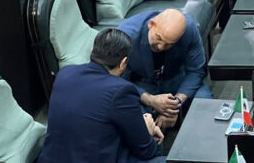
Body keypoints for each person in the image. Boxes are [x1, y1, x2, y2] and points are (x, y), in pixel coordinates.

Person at [39, 29, 166, 163]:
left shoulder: (64, 74)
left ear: (93, 49)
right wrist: (148, 132)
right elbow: (146, 151)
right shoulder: (121, 90)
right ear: (124, 62)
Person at [118, 9, 213, 130]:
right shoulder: (125, 36)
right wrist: (150, 100)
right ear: (151, 24)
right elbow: (120, 82)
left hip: (177, 79)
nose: (161, 47)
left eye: (169, 44)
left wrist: (175, 105)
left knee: (205, 104)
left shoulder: (188, 29)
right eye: (159, 38)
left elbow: (196, 71)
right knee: (135, 119)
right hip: (143, 84)